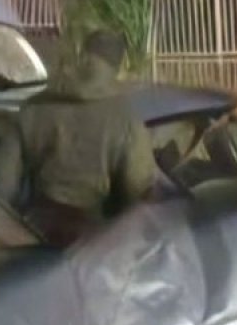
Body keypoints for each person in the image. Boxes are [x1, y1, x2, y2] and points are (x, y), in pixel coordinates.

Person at [17, 30, 156, 246]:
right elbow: (137, 188)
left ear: (83, 54)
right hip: (92, 239)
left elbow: (5, 185)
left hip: (34, 232)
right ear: (117, 66)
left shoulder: (33, 107)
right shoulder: (125, 119)